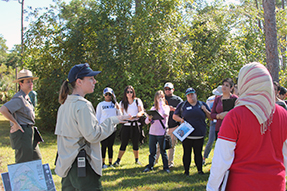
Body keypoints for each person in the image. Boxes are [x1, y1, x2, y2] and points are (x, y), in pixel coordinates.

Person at [207, 62, 287, 191]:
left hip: (241, 184)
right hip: (275, 184)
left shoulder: (235, 116)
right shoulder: (283, 114)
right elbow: (285, 154)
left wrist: (212, 188)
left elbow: (221, 160)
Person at [54, 63, 129, 191]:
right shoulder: (83, 105)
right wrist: (114, 120)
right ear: (79, 82)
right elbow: (93, 135)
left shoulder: (64, 104)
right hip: (82, 167)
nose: (95, 81)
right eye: (90, 78)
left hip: (66, 165)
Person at [0, 69, 42, 163]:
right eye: (28, 82)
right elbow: (3, 109)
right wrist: (15, 123)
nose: (31, 83)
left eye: (31, 81)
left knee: (36, 159)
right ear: (21, 84)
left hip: (29, 131)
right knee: (24, 162)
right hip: (22, 132)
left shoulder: (26, 97)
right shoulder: (19, 98)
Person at [173, 87, 211, 175]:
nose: (191, 96)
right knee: (187, 153)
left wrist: (205, 110)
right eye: (188, 95)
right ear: (186, 96)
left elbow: (211, 117)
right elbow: (174, 116)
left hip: (199, 134)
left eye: (192, 94)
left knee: (198, 153)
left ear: (196, 95)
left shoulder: (202, 104)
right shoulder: (183, 105)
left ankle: (200, 170)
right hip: (186, 134)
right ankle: (186, 171)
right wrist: (181, 120)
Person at [113, 85, 145, 166]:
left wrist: (137, 115)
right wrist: (127, 118)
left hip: (136, 124)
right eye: (128, 92)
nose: (129, 93)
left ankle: (137, 160)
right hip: (126, 124)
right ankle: (118, 160)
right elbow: (120, 114)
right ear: (125, 93)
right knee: (124, 143)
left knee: (135, 143)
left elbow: (142, 111)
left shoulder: (137, 101)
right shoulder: (122, 103)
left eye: (131, 92)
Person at [156, 82, 183, 167]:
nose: (167, 91)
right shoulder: (161, 98)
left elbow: (183, 111)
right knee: (159, 146)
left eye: (169, 89)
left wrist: (173, 109)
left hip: (174, 126)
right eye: (166, 89)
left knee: (171, 146)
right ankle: (154, 161)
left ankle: (170, 163)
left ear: (173, 90)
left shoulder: (178, 99)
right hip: (162, 126)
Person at [143, 90, 170, 173]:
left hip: (161, 132)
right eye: (158, 97)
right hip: (152, 132)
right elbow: (146, 122)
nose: (160, 99)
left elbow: (165, 114)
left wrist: (161, 104)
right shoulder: (153, 108)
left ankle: (166, 167)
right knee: (152, 151)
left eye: (162, 97)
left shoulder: (166, 107)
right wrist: (149, 118)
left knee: (163, 151)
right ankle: (150, 166)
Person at [96, 87, 121, 169]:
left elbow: (119, 116)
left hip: (112, 127)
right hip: (103, 128)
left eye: (109, 94)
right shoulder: (101, 104)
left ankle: (110, 163)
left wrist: (118, 107)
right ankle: (102, 163)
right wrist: (98, 127)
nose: (108, 96)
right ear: (103, 95)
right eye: (106, 94)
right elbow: (98, 117)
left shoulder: (114, 104)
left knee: (110, 146)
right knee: (103, 146)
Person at [203, 85, 222, 165]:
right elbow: (208, 111)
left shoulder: (225, 99)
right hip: (213, 122)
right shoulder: (210, 99)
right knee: (210, 141)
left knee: (220, 141)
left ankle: (219, 159)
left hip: (222, 122)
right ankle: (204, 158)